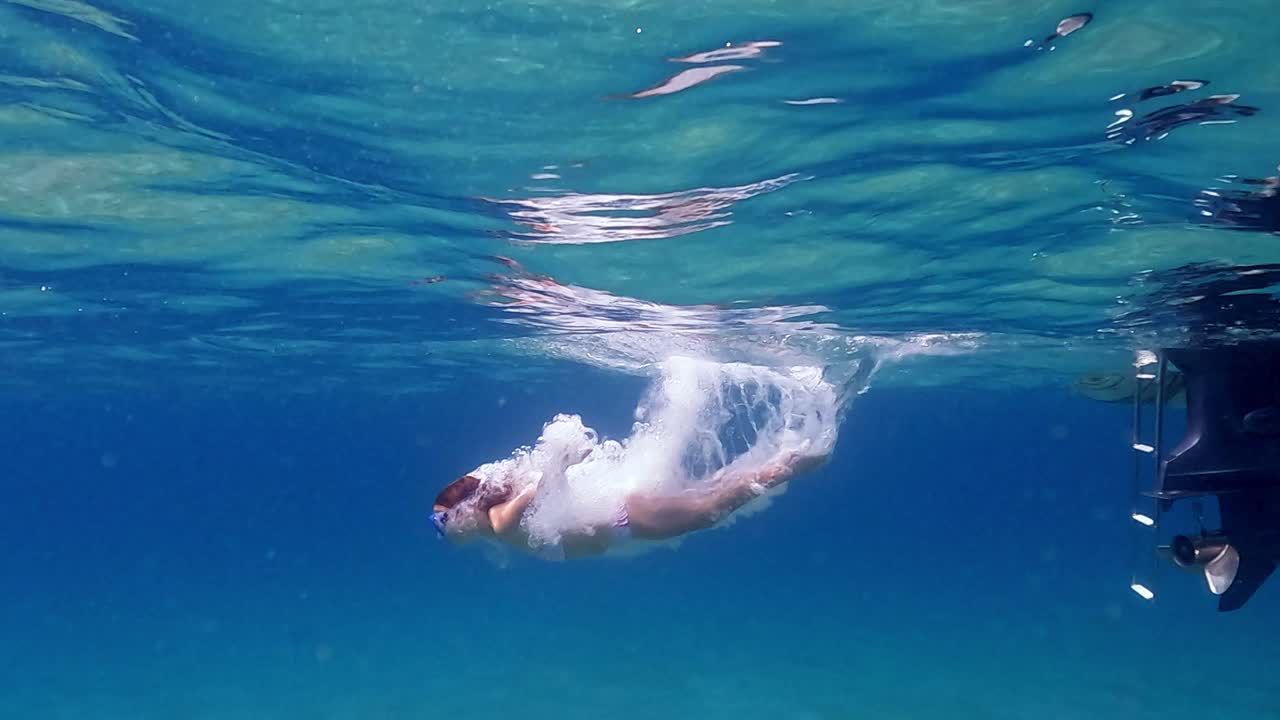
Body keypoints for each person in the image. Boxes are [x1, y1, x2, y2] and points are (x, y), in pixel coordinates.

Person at [429, 443, 829, 561]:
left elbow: (537, 494)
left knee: (709, 508)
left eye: (442, 522)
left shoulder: (498, 521)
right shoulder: (495, 527)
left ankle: (793, 463)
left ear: (465, 511)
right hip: (622, 517)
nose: (443, 531)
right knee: (708, 496)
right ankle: (786, 459)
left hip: (624, 520)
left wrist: (561, 465)